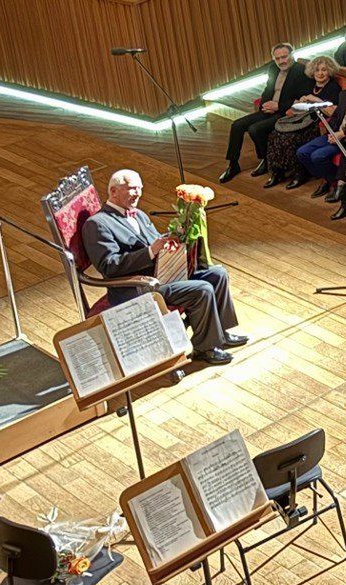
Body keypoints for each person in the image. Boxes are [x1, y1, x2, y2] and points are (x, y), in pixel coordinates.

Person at [82, 169, 245, 365]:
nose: (138, 194)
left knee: (217, 274)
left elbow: (154, 240)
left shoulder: (139, 214)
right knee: (202, 289)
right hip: (138, 286)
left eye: (140, 189)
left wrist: (171, 240)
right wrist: (151, 251)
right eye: (132, 189)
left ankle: (220, 334)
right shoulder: (97, 224)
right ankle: (205, 348)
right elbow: (109, 266)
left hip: (163, 273)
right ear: (113, 191)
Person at [221, 43, 311, 182]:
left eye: (284, 57)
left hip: (285, 112)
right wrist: (264, 104)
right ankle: (233, 164)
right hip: (269, 109)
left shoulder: (301, 71)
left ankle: (266, 159)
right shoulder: (273, 69)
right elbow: (268, 89)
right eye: (278, 58)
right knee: (237, 125)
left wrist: (278, 106)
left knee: (255, 129)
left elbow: (301, 97)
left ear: (292, 55)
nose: (282, 61)